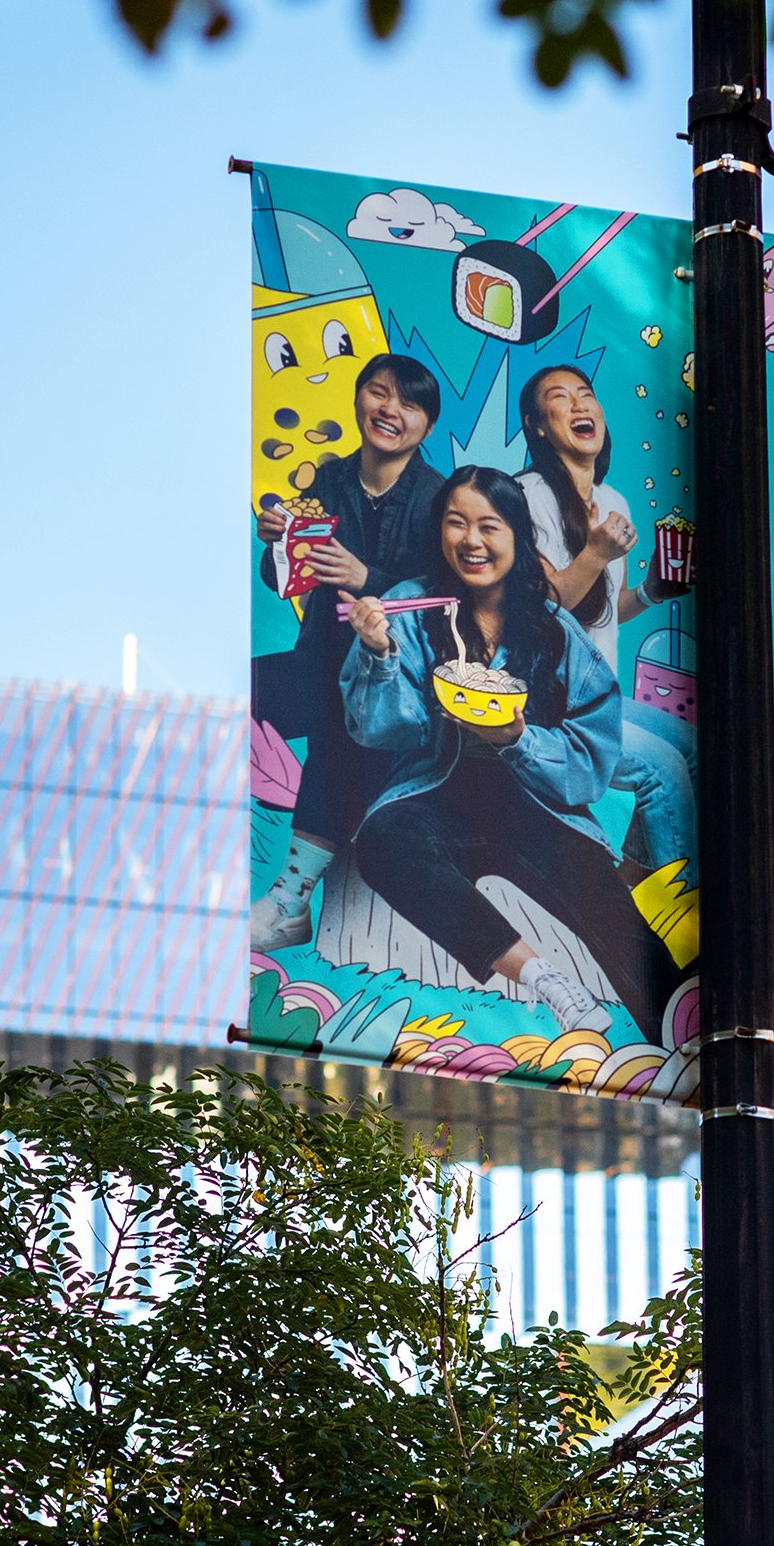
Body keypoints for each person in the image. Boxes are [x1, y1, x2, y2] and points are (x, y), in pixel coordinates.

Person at [340, 466, 686, 1046]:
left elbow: (593, 749)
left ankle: (685, 1033)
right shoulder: (408, 605)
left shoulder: (551, 627)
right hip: (434, 791)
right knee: (382, 842)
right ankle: (545, 979)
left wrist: (520, 741)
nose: (471, 541)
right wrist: (376, 654)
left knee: (604, 901)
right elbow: (382, 730)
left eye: (489, 526)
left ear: (518, 537)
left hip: (532, 800)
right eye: (456, 524)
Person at [250, 353, 445, 951]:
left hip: (396, 679)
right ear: (358, 398)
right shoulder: (329, 480)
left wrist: (368, 578)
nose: (390, 410)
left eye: (409, 404)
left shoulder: (438, 500)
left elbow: (442, 603)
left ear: (427, 426)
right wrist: (277, 547)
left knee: (343, 725)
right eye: (379, 394)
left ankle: (289, 901)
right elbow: (286, 580)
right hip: (319, 661)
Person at [516, 364, 697, 884]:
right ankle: (677, 917)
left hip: (599, 696)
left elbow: (601, 611)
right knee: (662, 772)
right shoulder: (525, 497)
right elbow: (544, 612)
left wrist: (651, 591)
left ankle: (639, 890)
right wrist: (595, 552)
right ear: (538, 426)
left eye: (586, 394)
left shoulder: (612, 499)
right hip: (552, 705)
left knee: (690, 747)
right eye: (559, 398)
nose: (579, 405)